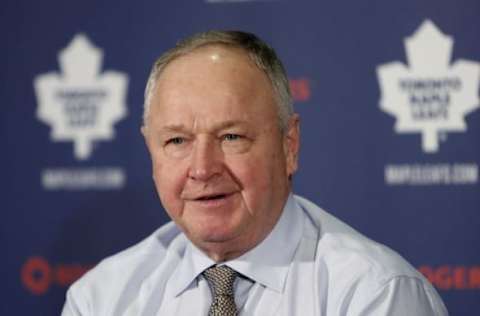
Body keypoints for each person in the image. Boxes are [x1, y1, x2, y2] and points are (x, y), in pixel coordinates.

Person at [61, 30, 448, 315]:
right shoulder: (101, 299)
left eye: (231, 136)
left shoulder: (374, 294)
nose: (202, 168)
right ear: (151, 151)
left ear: (289, 145)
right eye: (177, 141)